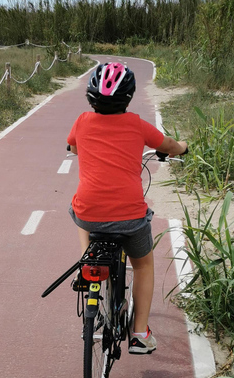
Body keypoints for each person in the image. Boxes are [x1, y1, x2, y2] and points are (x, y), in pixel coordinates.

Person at [67, 62, 188, 355]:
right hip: (129, 217)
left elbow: (72, 148)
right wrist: (182, 147)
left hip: (91, 212)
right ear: (129, 97)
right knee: (144, 264)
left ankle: (88, 260)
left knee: (80, 213)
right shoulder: (136, 125)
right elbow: (168, 144)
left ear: (91, 97)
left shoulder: (82, 122)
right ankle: (139, 334)